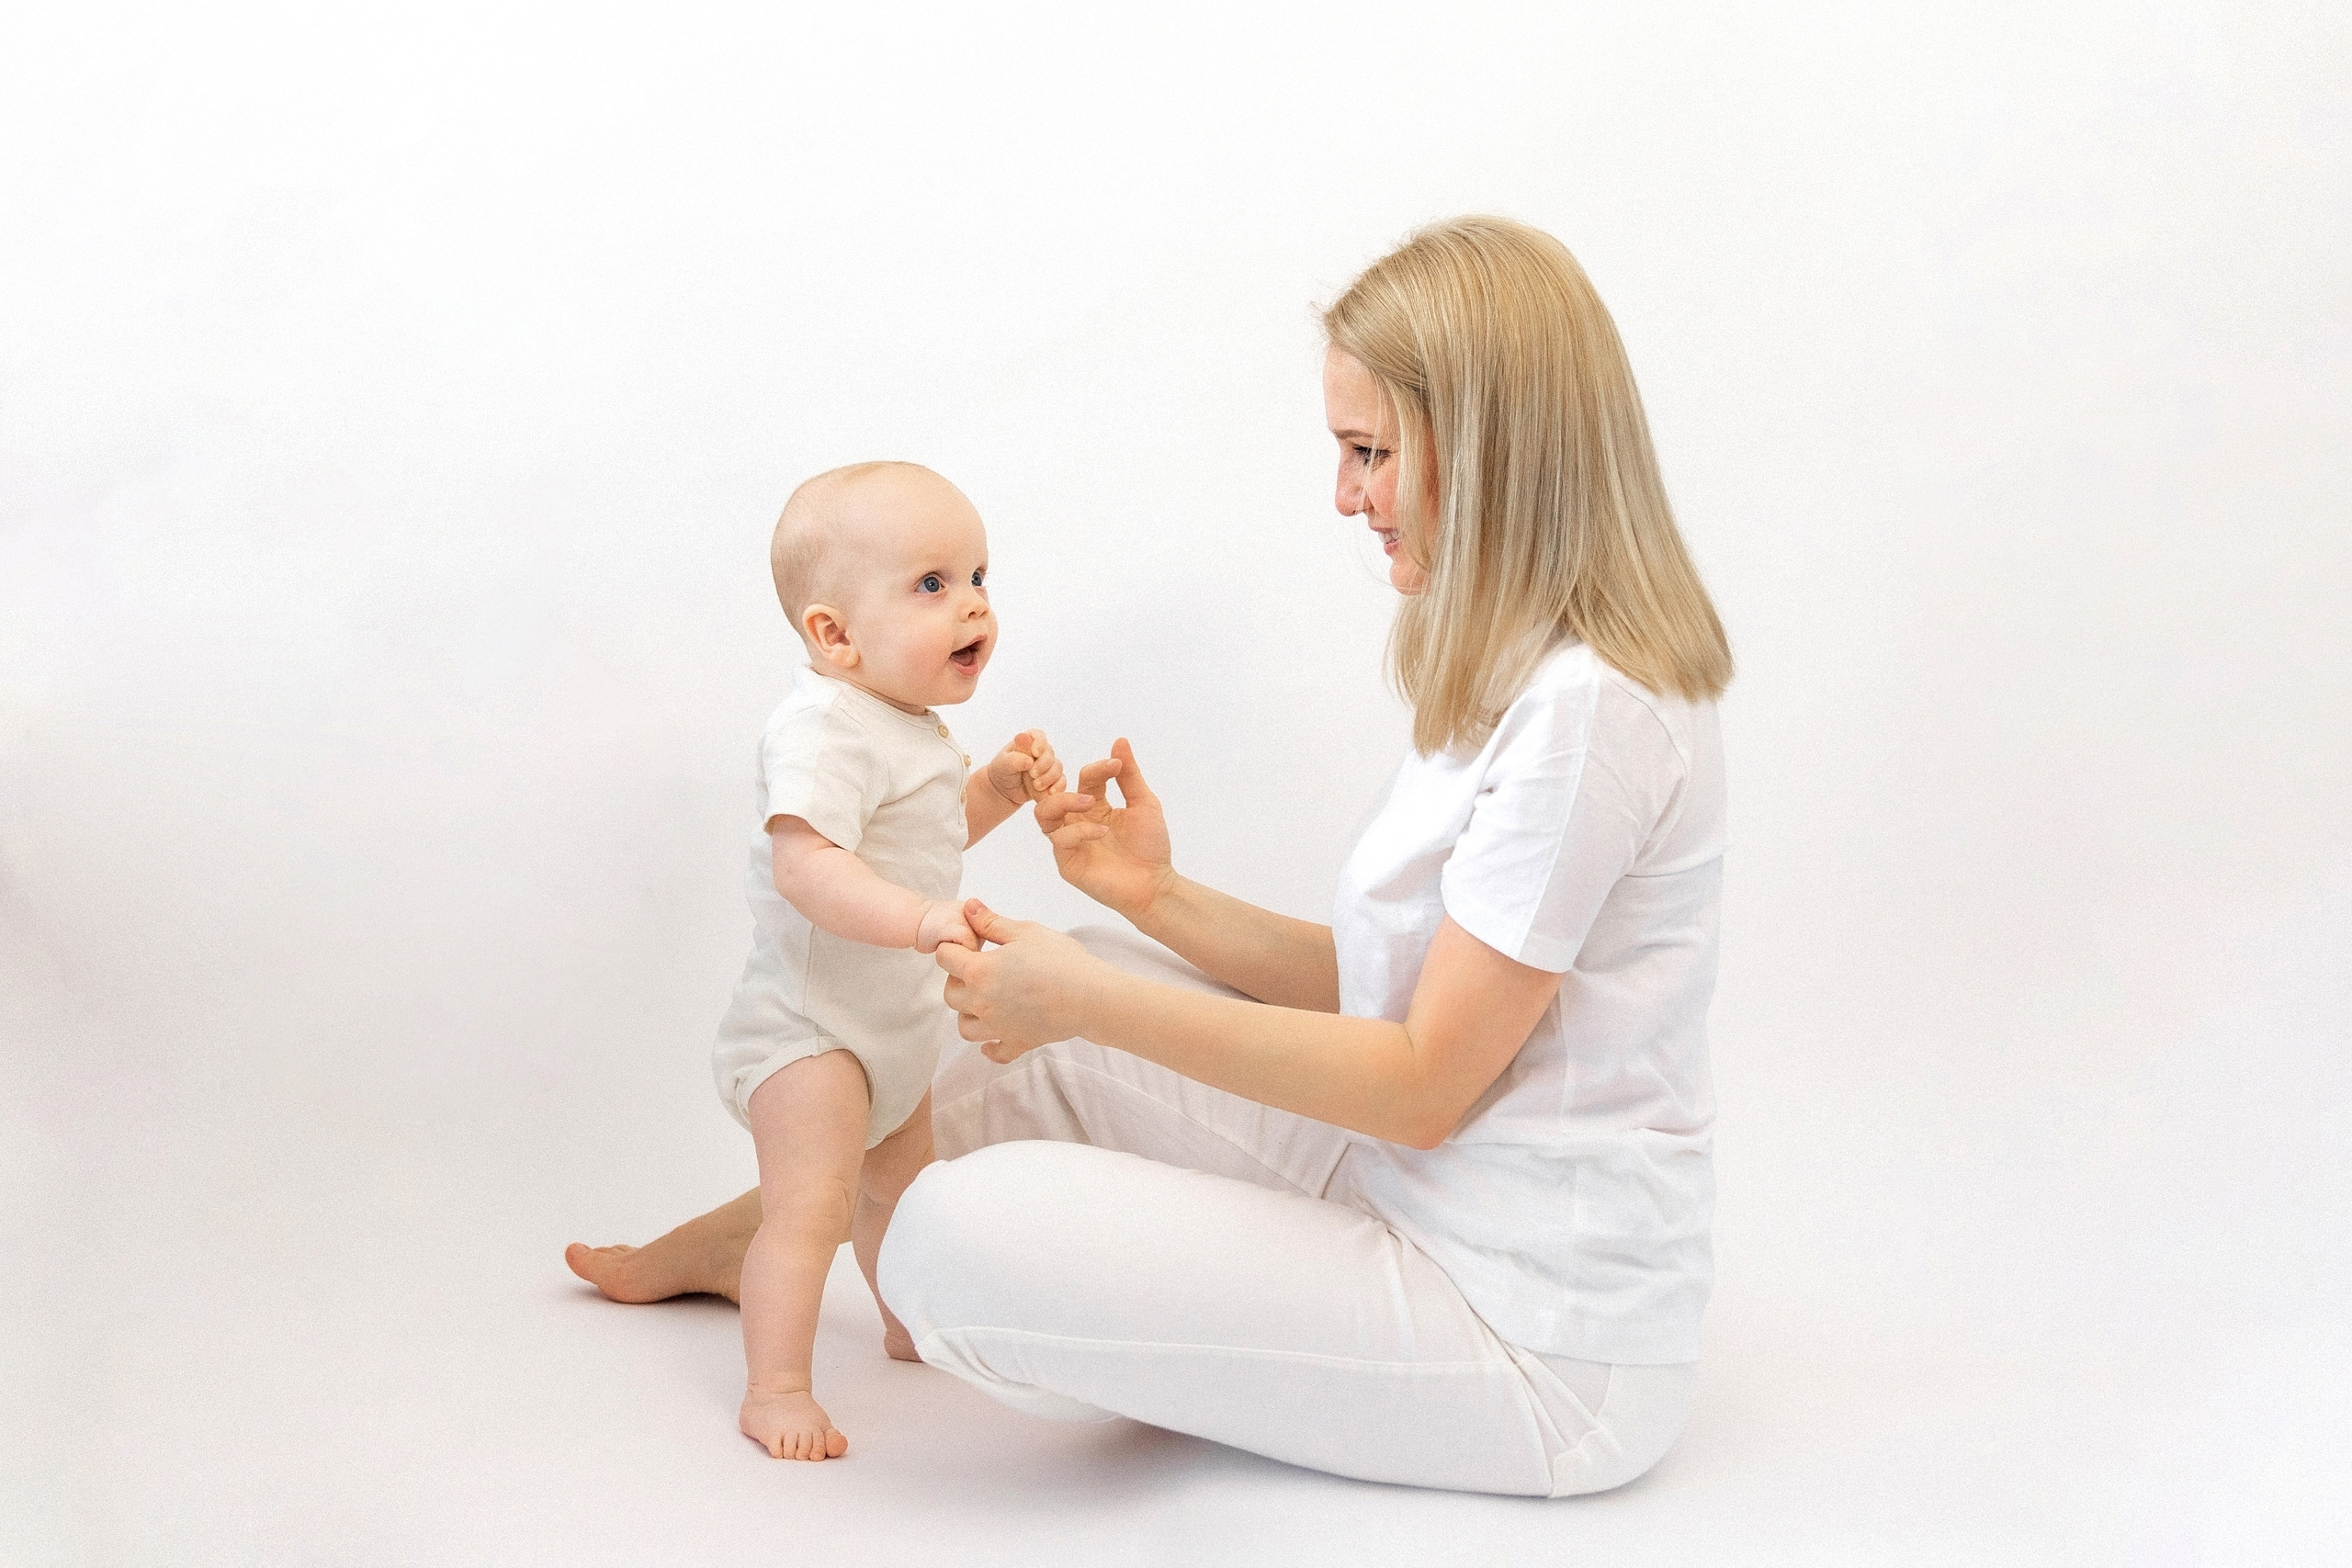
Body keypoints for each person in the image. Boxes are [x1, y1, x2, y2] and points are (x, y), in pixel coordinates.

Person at [568, 216, 1733, 1497]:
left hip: (1529, 1334)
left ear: (1497, 449)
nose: (1344, 494)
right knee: (966, 1037)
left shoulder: (1588, 718)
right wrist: (1153, 900)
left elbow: (1422, 1080)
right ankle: (781, 1229)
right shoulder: (1521, 676)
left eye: (1369, 452)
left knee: (960, 1226)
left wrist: (1089, 995)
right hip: (1412, 1180)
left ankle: (824, 1225)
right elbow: (1409, 988)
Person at [677, 459, 1065, 1461]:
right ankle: (775, 1387)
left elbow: (924, 836)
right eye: (932, 585)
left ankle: (906, 1324)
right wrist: (923, 920)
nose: (973, 603)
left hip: (889, 1034)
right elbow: (811, 867)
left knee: (903, 1191)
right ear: (833, 635)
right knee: (810, 1212)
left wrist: (997, 790)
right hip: (809, 1035)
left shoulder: (910, 727)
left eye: (978, 576)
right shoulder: (818, 729)